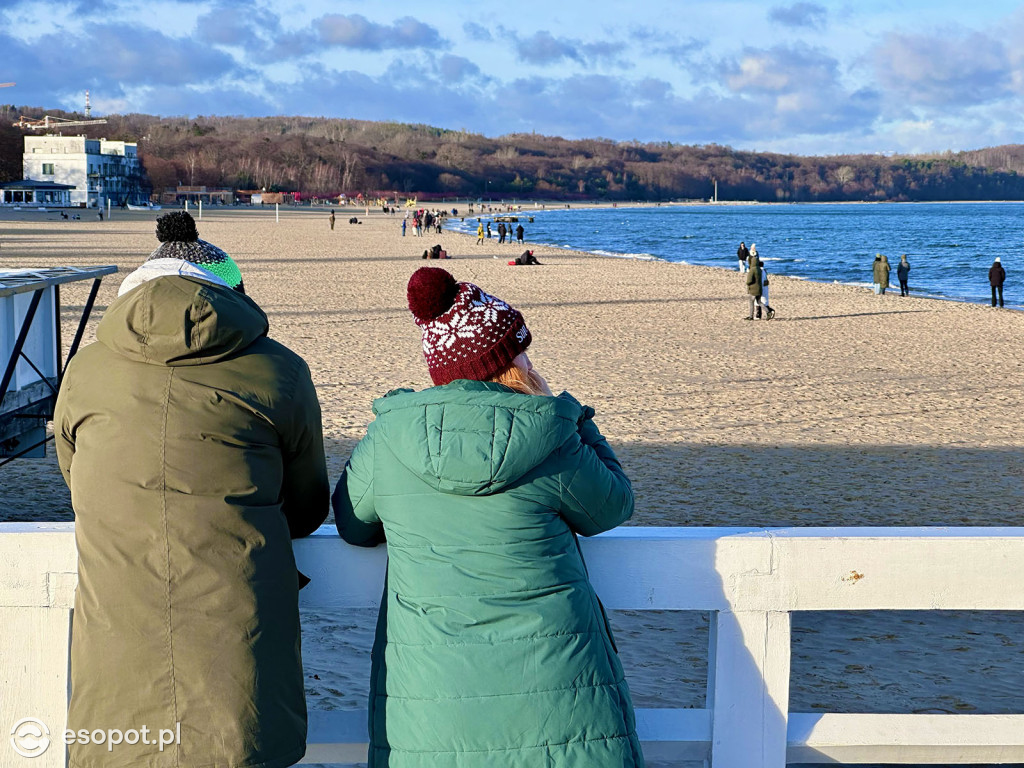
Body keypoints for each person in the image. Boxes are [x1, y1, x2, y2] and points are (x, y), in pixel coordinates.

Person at [333, 267, 644, 768]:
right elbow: (613, 504)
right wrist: (576, 418)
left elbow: (352, 522)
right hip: (555, 692)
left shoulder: (390, 437)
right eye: (521, 349)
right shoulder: (549, 433)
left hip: (433, 696)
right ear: (507, 362)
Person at [54, 211, 329, 768]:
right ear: (232, 293)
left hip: (118, 615)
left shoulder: (85, 370)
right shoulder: (280, 371)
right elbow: (306, 508)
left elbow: (75, 479)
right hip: (237, 619)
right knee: (240, 743)